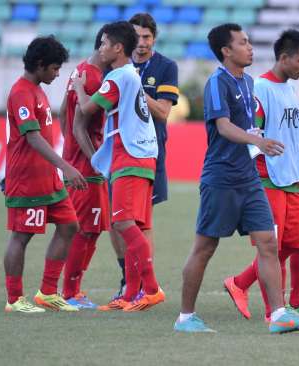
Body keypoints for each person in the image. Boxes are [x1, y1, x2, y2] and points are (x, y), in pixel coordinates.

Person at [174, 23, 299, 334]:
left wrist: (257, 139)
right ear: (227, 50)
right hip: (221, 178)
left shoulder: (248, 82)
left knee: (268, 243)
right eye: (243, 42)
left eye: (249, 42)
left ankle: (278, 315)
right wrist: (259, 142)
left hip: (249, 178)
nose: (250, 48)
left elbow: (248, 127)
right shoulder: (217, 82)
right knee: (205, 247)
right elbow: (223, 127)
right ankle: (185, 317)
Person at [72, 21, 164, 312]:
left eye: (104, 44)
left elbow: (87, 109)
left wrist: (78, 88)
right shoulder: (130, 74)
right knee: (135, 225)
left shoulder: (115, 78)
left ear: (117, 48)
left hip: (130, 157)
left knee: (122, 223)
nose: (100, 49)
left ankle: (151, 289)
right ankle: (130, 294)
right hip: (145, 155)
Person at [224, 29, 299, 322]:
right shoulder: (260, 88)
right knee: (272, 247)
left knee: (293, 244)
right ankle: (272, 312)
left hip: (291, 178)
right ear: (284, 57)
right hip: (268, 177)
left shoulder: (287, 87)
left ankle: (240, 283)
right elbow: (253, 133)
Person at [3, 36, 86, 313]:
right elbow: (33, 138)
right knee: (21, 236)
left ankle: (48, 293)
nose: (57, 73)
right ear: (40, 65)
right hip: (27, 180)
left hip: (48, 179)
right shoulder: (21, 92)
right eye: (54, 68)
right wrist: (67, 166)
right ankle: (15, 299)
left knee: (69, 225)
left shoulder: (37, 89)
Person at [107, 13, 180, 298]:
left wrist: (134, 86)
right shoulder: (116, 65)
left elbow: (163, 113)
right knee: (116, 219)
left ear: (154, 38)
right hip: (117, 150)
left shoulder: (165, 67)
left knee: (141, 220)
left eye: (147, 37)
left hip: (149, 150)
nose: (141, 43)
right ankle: (128, 279)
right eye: (136, 37)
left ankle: (142, 286)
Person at [59, 26, 110, 309]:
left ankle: (73, 290)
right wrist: (93, 159)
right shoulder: (91, 77)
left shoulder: (80, 71)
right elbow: (79, 125)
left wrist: (70, 147)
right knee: (85, 229)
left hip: (80, 159)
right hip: (87, 165)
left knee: (92, 228)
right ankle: (69, 292)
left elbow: (62, 112)